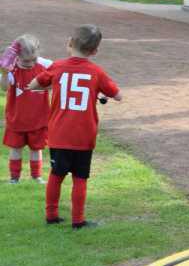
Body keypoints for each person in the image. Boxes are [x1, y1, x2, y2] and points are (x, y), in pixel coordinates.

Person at [27, 25, 123, 228]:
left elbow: (35, 84)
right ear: (95, 51)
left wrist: (51, 85)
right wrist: (101, 92)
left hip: (59, 134)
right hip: (84, 135)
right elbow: (118, 95)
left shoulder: (57, 67)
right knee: (80, 178)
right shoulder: (97, 72)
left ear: (69, 43)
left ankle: (51, 215)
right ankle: (78, 220)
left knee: (56, 175)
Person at [1, 34, 52, 183]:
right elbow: (4, 88)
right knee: (15, 149)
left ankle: (36, 176)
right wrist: (4, 74)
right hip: (16, 119)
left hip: (39, 119)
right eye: (25, 61)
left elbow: (57, 79)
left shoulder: (45, 65)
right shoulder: (11, 69)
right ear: (16, 56)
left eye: (33, 60)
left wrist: (46, 86)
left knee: (36, 149)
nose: (30, 64)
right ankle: (14, 177)